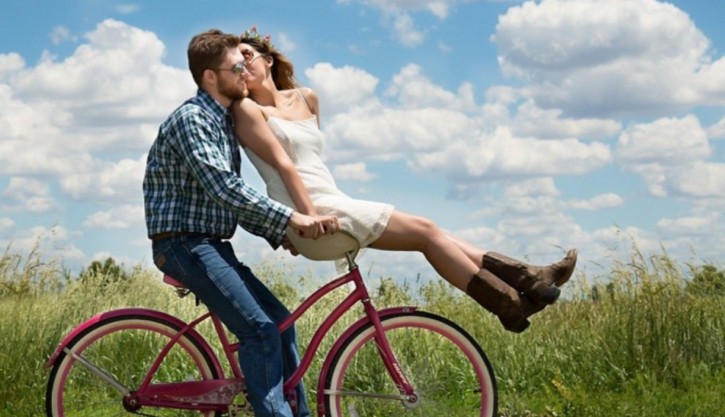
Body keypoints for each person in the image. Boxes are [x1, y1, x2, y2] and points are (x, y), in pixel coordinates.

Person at [232, 26, 578, 333]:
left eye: (246, 56)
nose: (241, 65)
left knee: (432, 233)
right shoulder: (247, 110)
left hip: (331, 201)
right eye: (234, 64)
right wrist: (303, 220)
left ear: (268, 60)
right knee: (426, 232)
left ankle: (526, 284)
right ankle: (513, 298)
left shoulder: (306, 98)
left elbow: (313, 164)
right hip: (310, 213)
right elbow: (286, 167)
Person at [143, 29, 337, 417]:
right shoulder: (193, 119)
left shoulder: (222, 123)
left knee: (280, 324)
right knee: (260, 331)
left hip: (210, 245)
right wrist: (292, 217)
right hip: (183, 245)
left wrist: (280, 232)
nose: (244, 72)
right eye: (236, 67)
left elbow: (229, 204)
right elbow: (225, 189)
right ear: (210, 76)